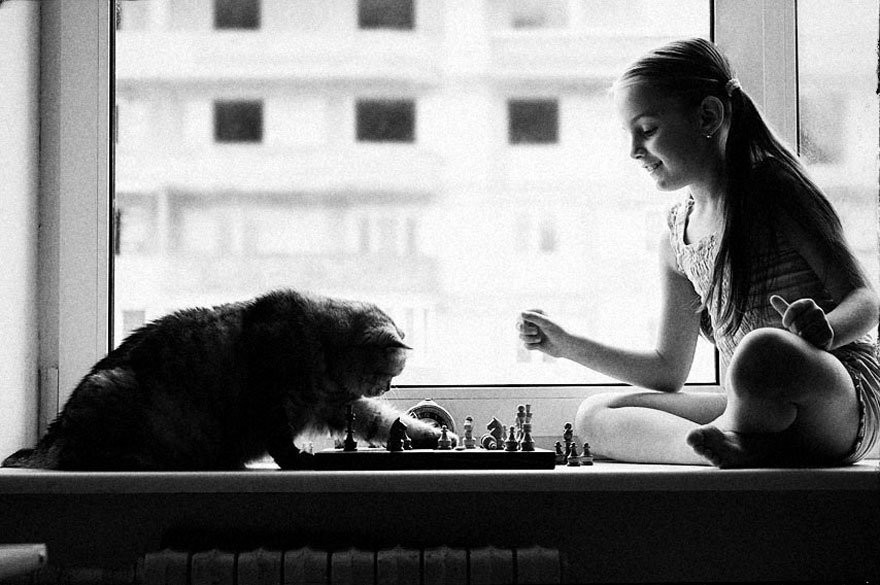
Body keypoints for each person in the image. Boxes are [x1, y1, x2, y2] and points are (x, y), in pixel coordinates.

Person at [518, 38, 880, 468]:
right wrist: (567, 345)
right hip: (752, 408)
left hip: (838, 399)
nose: (634, 150)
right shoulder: (677, 237)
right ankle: (723, 452)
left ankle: (736, 438)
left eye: (647, 130)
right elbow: (668, 370)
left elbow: (865, 300)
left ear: (708, 115)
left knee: (763, 351)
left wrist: (826, 331)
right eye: (629, 134)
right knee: (595, 415)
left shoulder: (775, 191)